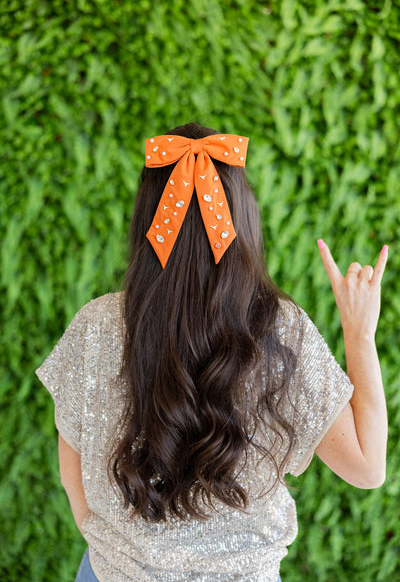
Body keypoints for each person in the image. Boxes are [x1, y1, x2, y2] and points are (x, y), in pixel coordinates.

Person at [35, 122, 388, 582]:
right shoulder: (280, 330)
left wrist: (123, 560)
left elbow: (72, 478)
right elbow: (367, 467)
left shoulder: (94, 326)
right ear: (243, 217)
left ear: (146, 217)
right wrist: (359, 333)